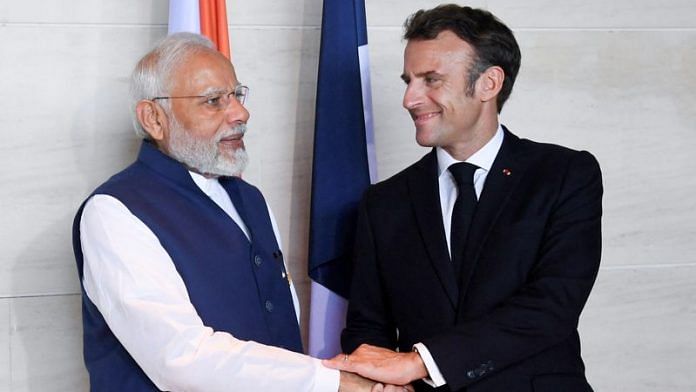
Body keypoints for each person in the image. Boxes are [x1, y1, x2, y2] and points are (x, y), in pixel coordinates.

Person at [72, 32, 381, 392]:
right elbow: (180, 358)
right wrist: (333, 382)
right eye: (214, 101)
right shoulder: (114, 212)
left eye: (237, 95)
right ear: (154, 118)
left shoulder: (251, 199)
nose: (241, 113)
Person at [324, 4, 602, 392]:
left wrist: (420, 361)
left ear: (489, 83)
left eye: (430, 80)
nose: (409, 99)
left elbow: (552, 306)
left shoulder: (564, 175)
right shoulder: (383, 203)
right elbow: (369, 329)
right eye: (408, 80)